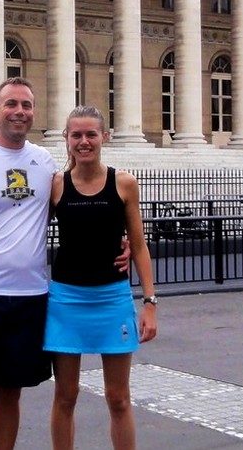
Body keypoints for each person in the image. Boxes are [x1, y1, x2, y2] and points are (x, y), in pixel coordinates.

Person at [0, 78, 128, 450]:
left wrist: (121, 240)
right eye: (11, 104)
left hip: (29, 297)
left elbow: (77, 213)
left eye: (26, 105)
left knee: (8, 394)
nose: (20, 111)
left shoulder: (44, 162)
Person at [45, 105, 157, 450]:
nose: (84, 141)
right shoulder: (56, 185)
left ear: (104, 137)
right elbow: (21, 227)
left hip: (112, 297)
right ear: (66, 139)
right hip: (65, 299)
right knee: (65, 397)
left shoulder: (124, 183)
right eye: (76, 135)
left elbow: (138, 246)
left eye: (91, 134)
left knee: (119, 398)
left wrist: (149, 302)